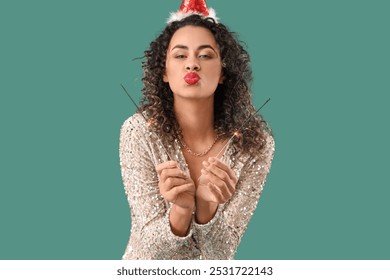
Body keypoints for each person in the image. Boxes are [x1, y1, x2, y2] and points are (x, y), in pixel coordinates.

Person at [119, 0, 275, 260]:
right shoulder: (139, 132)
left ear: (224, 71)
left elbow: (222, 255)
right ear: (164, 72)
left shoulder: (255, 145)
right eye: (180, 55)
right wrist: (180, 211)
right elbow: (145, 251)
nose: (192, 64)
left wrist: (206, 208)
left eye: (205, 55)